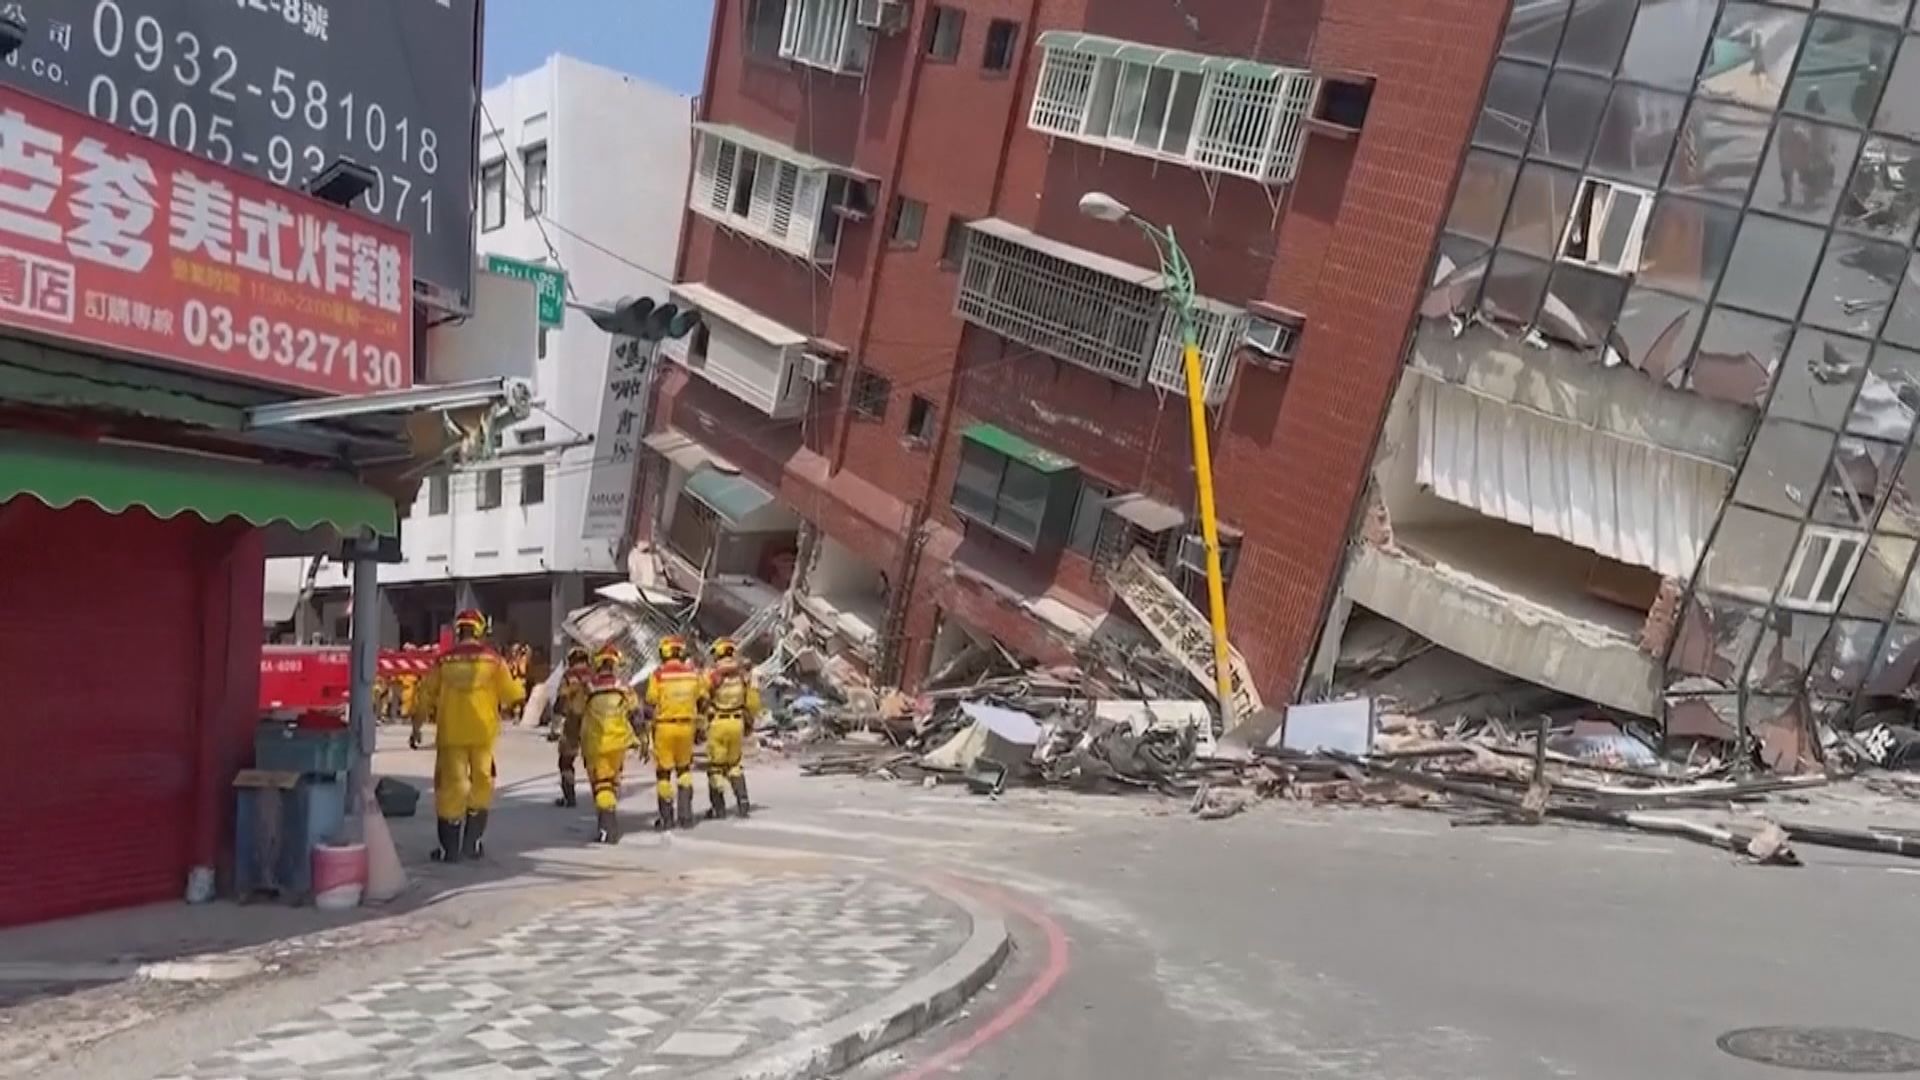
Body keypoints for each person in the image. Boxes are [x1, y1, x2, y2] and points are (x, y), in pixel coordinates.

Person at [413, 609, 525, 862]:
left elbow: (425, 696)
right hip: (483, 736)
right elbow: (513, 694)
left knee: (451, 789)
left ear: (458, 630)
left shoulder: (444, 661)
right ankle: (471, 845)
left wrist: (416, 726)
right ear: (479, 630)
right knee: (481, 785)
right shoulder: (493, 661)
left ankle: (449, 850)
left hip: (451, 735)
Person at [644, 635, 706, 831]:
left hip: (665, 727)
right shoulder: (693, 674)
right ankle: (686, 817)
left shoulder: (658, 674)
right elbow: (703, 699)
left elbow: (651, 700)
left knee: (663, 774)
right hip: (687, 727)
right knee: (684, 769)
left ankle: (666, 818)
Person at [581, 644, 641, 843]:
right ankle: (606, 824)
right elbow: (636, 714)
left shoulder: (589, 686)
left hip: (596, 744)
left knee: (602, 786)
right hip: (619, 744)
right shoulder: (623, 686)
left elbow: (574, 712)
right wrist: (643, 738)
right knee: (612, 784)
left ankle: (608, 830)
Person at [703, 636, 760, 820]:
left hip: (718, 723)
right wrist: (750, 721)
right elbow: (752, 701)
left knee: (715, 768)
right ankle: (743, 801)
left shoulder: (713, 675)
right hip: (737, 723)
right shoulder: (742, 675)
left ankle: (718, 808)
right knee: (734, 765)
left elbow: (702, 697)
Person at [551, 645, 592, 808]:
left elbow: (561, 698)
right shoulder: (594, 675)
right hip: (592, 720)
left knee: (566, 760)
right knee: (594, 761)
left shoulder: (569, 676)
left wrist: (556, 721)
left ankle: (570, 797)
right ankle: (602, 794)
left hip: (573, 721)